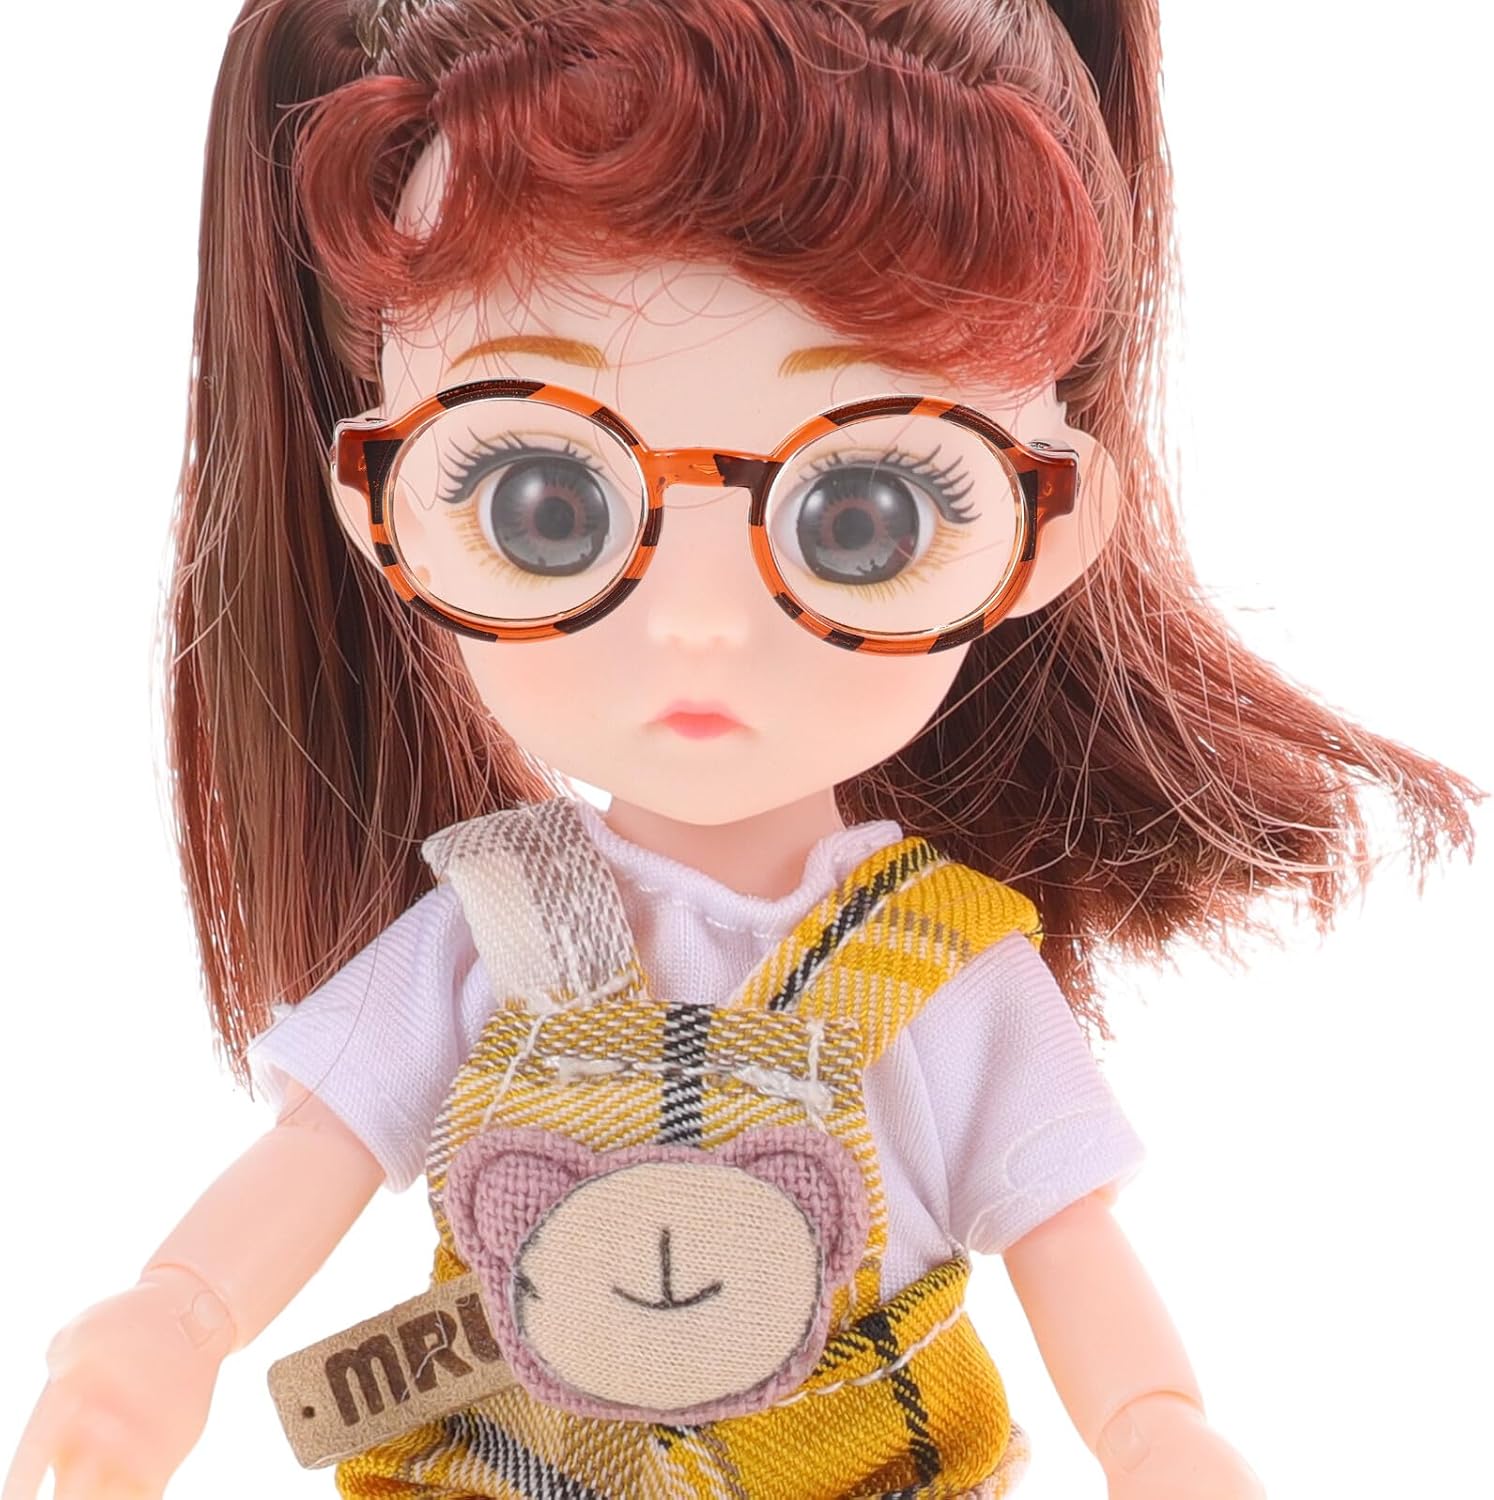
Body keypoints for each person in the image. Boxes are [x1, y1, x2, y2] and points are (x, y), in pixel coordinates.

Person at [4, 1, 1480, 1496]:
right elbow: (311, 1162)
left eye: (864, 514)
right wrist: (170, 1324)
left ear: (1046, 532)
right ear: (379, 510)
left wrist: (1155, 1426)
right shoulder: (492, 924)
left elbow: (1067, 1238)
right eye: (546, 504)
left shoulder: (950, 966)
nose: (700, 623)